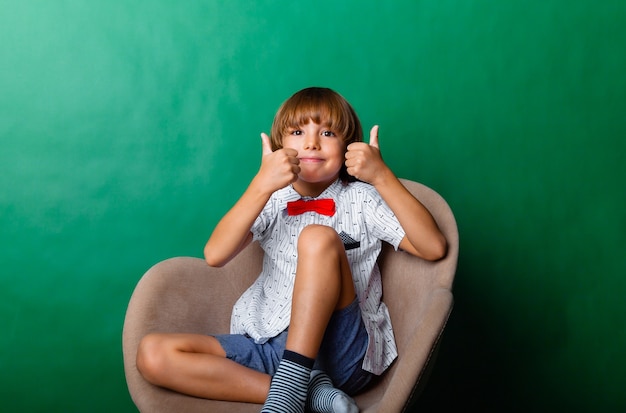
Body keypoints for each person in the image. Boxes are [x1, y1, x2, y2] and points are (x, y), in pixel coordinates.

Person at [136, 87, 447, 413]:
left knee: (317, 237)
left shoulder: (363, 199)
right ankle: (305, 392)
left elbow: (433, 247)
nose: (312, 143)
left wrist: (382, 177)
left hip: (341, 351)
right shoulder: (272, 198)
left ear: (348, 147)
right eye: (298, 132)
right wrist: (261, 184)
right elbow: (215, 254)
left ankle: (296, 380)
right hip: (270, 345)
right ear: (281, 145)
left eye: (327, 133)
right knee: (152, 354)